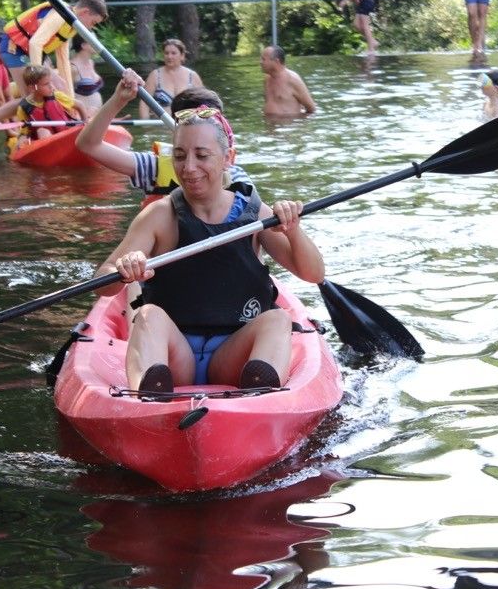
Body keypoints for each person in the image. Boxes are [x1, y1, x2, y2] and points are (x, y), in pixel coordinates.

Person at [93, 105, 326, 394]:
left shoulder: (256, 215)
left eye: (202, 155)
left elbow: (314, 274)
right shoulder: (159, 215)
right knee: (147, 314)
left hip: (233, 353)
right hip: (175, 353)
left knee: (278, 318)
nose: (188, 167)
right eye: (179, 156)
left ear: (229, 158)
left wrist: (293, 229)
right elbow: (101, 282)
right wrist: (123, 269)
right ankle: (150, 399)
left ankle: (260, 399)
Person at [77, 70, 251, 199]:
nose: (190, 168)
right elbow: (88, 145)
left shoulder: (236, 176)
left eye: (203, 155)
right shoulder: (153, 166)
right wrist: (119, 99)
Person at [1, 0, 107, 98]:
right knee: (32, 96)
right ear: (85, 12)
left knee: (57, 88)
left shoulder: (71, 26)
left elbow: (63, 60)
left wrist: (71, 98)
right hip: (14, 46)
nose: (91, 27)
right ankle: (6, 94)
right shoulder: (60, 16)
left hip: (33, 52)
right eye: (93, 22)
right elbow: (35, 43)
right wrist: (37, 80)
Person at [11, 64, 87, 148]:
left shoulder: (57, 96)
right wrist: (21, 141)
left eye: (50, 82)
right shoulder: (24, 108)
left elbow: (80, 105)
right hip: (47, 142)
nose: (51, 86)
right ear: (33, 88)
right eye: (46, 84)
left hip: (67, 134)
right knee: (42, 131)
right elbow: (24, 132)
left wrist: (85, 123)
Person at [138, 38, 204, 119]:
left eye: (173, 53)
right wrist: (146, 125)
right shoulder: (155, 76)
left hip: (186, 126)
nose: (169, 56)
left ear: (182, 56)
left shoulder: (193, 76)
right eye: (166, 53)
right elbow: (144, 103)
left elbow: (203, 104)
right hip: (161, 126)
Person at [260, 46, 316, 117]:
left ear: (276, 61)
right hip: (269, 125)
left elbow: (312, 109)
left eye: (263, 59)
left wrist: (299, 124)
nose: (260, 62)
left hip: (288, 126)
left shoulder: (293, 79)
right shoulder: (267, 79)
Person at [70, 35, 104, 116]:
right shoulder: (72, 67)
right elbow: (65, 94)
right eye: (94, 41)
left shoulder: (91, 63)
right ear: (83, 45)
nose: (98, 44)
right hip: (83, 118)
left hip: (97, 116)